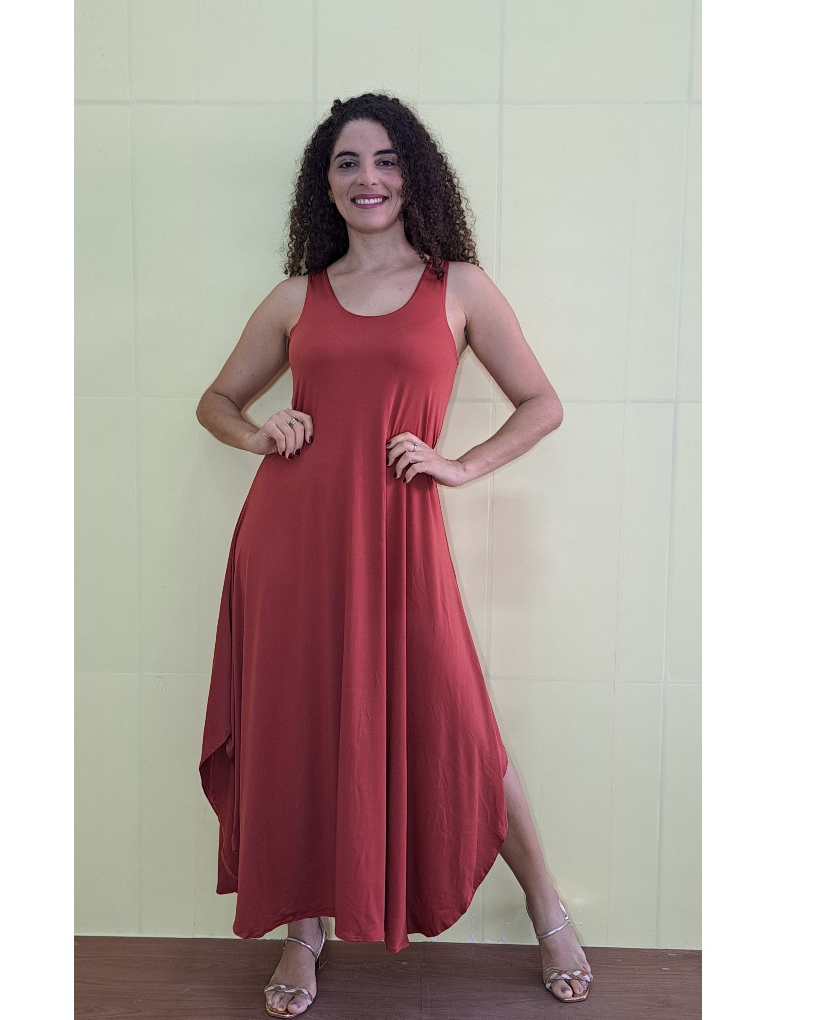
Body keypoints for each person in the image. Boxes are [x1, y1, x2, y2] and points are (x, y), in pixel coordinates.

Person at [197, 93, 593, 1017]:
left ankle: (547, 908)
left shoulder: (458, 287)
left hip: (400, 543)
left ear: (413, 173)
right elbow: (216, 401)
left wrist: (459, 464)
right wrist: (259, 434)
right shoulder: (295, 296)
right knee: (297, 725)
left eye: (384, 159)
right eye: (347, 162)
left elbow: (542, 403)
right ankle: (303, 933)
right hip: (290, 544)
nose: (366, 177)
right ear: (325, 183)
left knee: (464, 725)